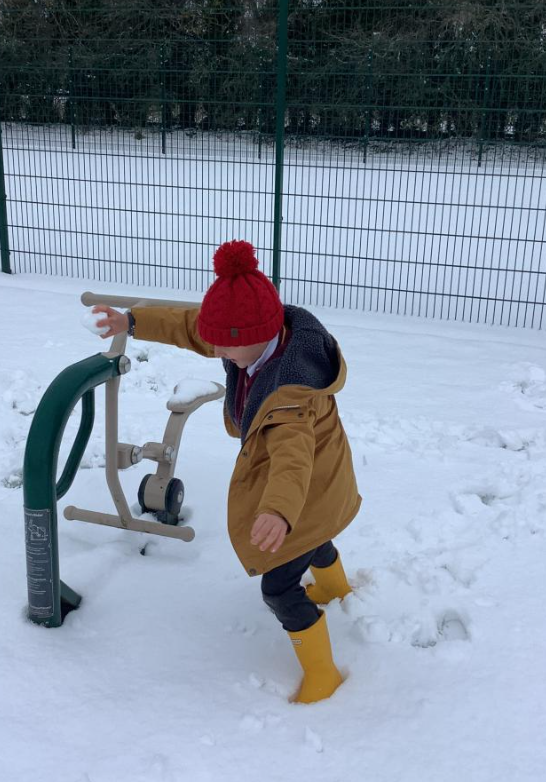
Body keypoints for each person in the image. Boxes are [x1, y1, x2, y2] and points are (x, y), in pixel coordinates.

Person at [92, 239, 360, 703]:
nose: (216, 350)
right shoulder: (251, 337)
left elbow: (293, 461)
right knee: (313, 536)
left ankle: (323, 673)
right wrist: (132, 322)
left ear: (256, 336)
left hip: (306, 487)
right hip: (319, 485)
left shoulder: (290, 395)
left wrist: (278, 511)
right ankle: (336, 588)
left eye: (225, 346)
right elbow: (192, 327)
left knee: (280, 587)